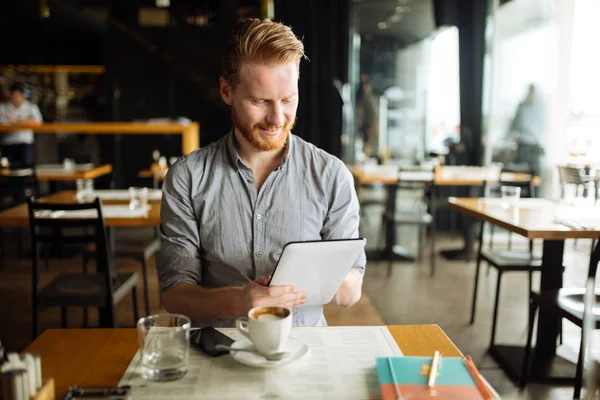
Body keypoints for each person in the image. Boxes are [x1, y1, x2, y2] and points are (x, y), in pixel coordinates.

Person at [157, 18, 366, 327]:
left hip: (303, 354)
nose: (277, 118)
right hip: (219, 356)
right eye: (259, 101)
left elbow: (351, 290)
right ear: (227, 91)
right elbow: (174, 295)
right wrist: (240, 301)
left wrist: (325, 281)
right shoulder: (187, 178)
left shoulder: (331, 175)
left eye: (288, 100)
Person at [0, 82, 43, 167]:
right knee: (6, 167)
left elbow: (38, 123)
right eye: (14, 95)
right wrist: (26, 121)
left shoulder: (31, 107)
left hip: (25, 142)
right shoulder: (2, 107)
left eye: (18, 95)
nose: (16, 98)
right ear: (10, 95)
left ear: (23, 95)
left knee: (26, 166)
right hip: (7, 142)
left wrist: (17, 121)